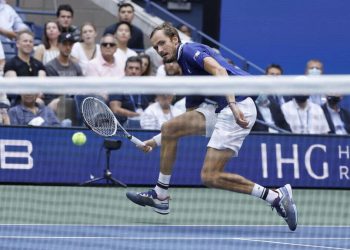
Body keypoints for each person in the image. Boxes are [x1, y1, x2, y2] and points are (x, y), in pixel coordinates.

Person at [126, 23, 297, 231]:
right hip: (221, 108)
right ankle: (160, 195)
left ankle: (276, 197)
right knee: (171, 128)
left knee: (210, 176)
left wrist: (232, 105)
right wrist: (155, 141)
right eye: (155, 48)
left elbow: (219, 70)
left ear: (174, 39)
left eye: (162, 43)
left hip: (238, 105)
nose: (160, 50)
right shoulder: (188, 72)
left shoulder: (188, 50)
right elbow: (187, 120)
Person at [109, 56, 150, 128]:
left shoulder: (146, 86)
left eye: (137, 69)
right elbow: (115, 109)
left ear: (141, 71)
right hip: (123, 124)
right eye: (130, 68)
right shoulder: (117, 85)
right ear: (125, 70)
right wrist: (136, 115)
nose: (134, 71)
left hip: (146, 123)